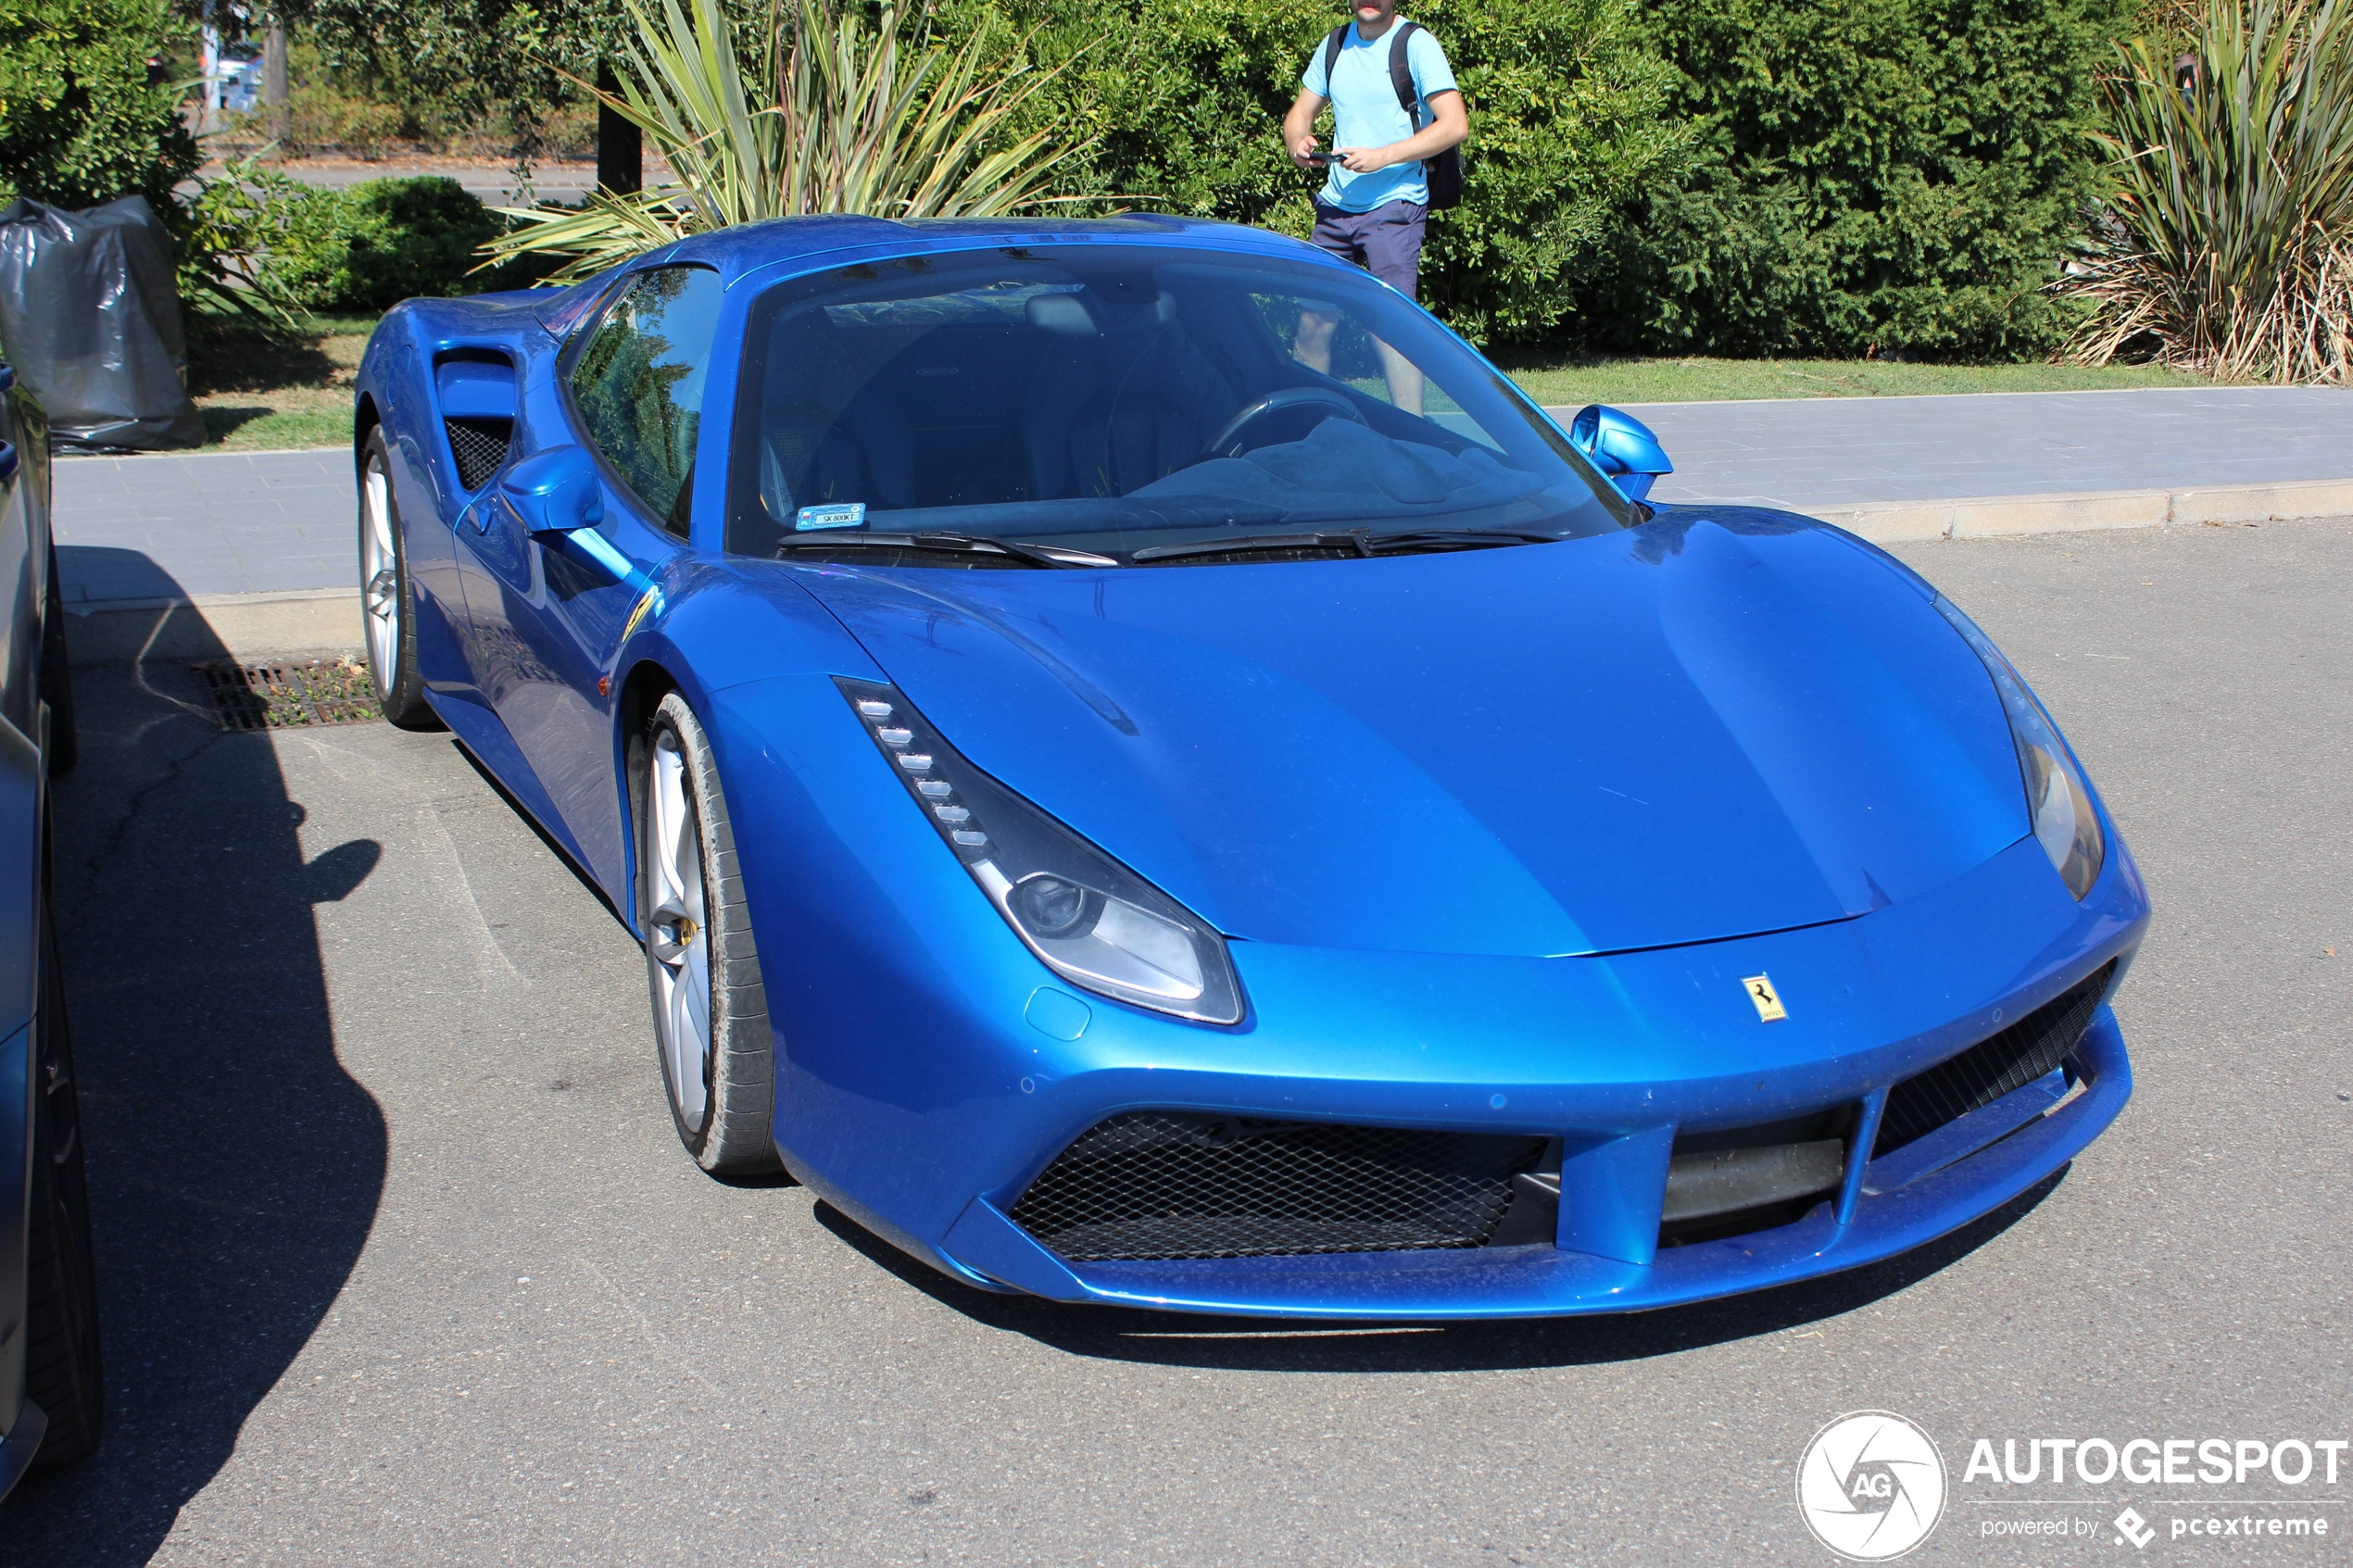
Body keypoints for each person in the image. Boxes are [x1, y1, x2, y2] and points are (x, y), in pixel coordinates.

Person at [1281, 0, 1467, 412]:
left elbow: (1454, 124)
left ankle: (1412, 437)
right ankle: (1310, 430)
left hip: (1395, 206)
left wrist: (1383, 156)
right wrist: (1298, 143)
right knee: (1313, 324)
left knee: (1392, 330)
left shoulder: (1415, 44)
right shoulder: (1335, 44)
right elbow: (1298, 115)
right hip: (1336, 206)